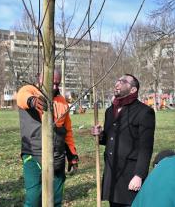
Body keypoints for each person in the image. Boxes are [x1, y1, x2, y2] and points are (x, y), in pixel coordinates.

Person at [92, 74, 156, 207]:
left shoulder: (144, 112)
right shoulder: (110, 111)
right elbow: (110, 138)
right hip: (112, 172)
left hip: (130, 176)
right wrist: (100, 135)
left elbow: (146, 147)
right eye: (117, 80)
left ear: (133, 89)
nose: (117, 84)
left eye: (122, 81)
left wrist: (139, 175)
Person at [17, 70, 79, 206]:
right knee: (33, 199)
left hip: (57, 156)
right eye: (52, 83)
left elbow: (67, 131)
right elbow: (21, 97)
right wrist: (32, 101)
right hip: (33, 155)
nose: (55, 87)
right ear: (40, 78)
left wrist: (72, 156)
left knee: (55, 200)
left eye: (58, 83)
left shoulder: (62, 102)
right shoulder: (30, 90)